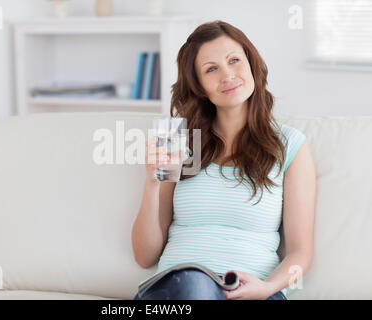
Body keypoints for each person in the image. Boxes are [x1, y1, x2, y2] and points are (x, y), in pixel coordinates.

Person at [131, 20, 316, 300]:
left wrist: (267, 287)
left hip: (257, 292)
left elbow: (300, 254)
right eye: (211, 69)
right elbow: (144, 256)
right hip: (183, 288)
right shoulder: (180, 141)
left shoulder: (290, 145)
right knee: (196, 287)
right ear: (200, 86)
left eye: (234, 61)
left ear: (251, 64)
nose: (228, 75)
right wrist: (152, 184)